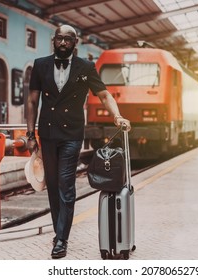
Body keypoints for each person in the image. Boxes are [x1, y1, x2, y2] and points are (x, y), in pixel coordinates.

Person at [26, 24, 131, 259]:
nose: (63, 42)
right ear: (54, 41)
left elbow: (104, 95)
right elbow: (32, 101)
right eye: (59, 39)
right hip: (48, 133)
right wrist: (30, 135)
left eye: (68, 39)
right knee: (52, 185)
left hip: (72, 134)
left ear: (75, 43)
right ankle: (59, 232)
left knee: (66, 185)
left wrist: (117, 115)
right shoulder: (40, 64)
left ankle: (62, 239)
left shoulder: (86, 67)